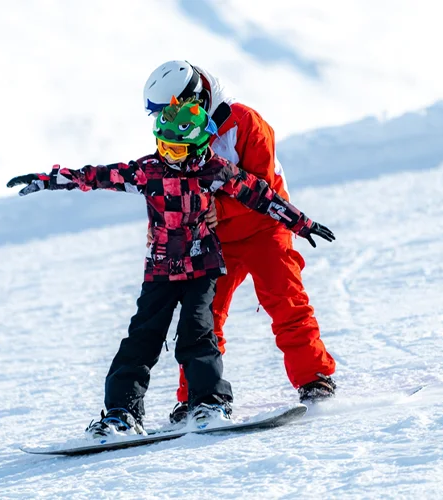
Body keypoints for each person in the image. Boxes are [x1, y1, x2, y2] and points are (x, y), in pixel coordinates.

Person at [6, 96, 335, 437]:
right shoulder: (150, 171)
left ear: (197, 146)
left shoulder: (215, 171)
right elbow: (98, 176)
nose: (168, 156)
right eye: (163, 146)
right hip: (161, 270)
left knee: (198, 334)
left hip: (202, 269)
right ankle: (122, 413)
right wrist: (49, 179)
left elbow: (262, 196)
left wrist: (303, 224)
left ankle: (208, 402)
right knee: (141, 339)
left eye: (176, 150)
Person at [143, 61, 338, 423]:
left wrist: (218, 207)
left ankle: (314, 378)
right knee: (201, 319)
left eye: (175, 107)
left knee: (286, 301)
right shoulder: (177, 134)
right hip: (217, 242)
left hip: (265, 229)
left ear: (195, 97)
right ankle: (198, 397)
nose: (172, 117)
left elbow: (261, 186)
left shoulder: (245, 123)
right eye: (164, 113)